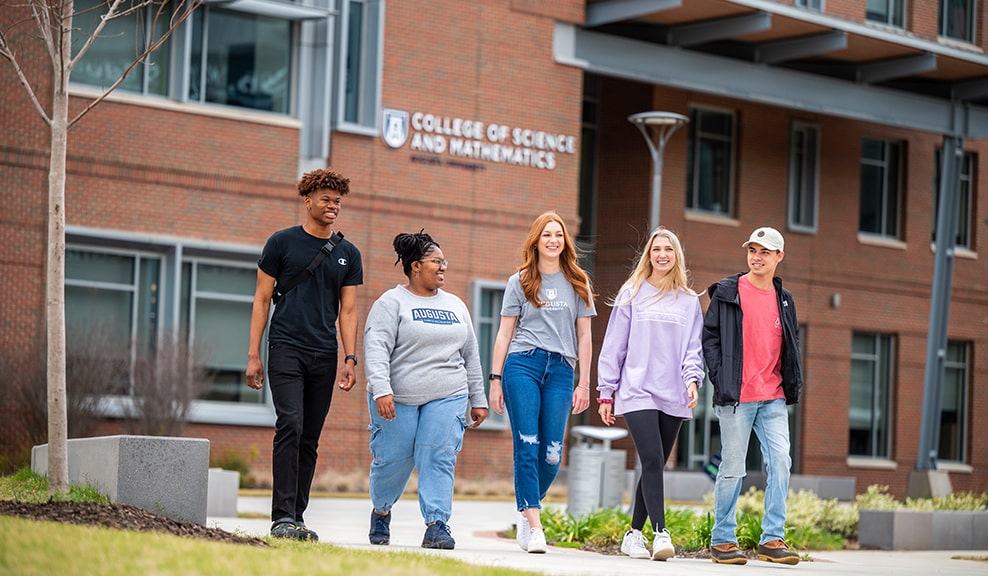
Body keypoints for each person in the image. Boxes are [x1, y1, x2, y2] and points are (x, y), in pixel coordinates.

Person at [245, 168, 363, 541]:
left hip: (324, 354)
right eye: (326, 199)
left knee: (310, 436)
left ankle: (296, 516)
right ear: (308, 199)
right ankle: (281, 516)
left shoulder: (348, 253)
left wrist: (350, 358)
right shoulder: (281, 243)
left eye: (338, 201)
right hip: (285, 348)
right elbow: (262, 299)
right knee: (290, 425)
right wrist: (253, 354)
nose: (333, 206)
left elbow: (348, 311)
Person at [363, 231, 489, 550]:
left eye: (444, 261)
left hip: (448, 393)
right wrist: (381, 390)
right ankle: (381, 510)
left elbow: (471, 353)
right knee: (393, 459)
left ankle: (437, 524)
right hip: (398, 397)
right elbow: (376, 347)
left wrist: (478, 397)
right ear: (416, 266)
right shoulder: (391, 302)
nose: (443, 267)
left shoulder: (455, 305)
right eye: (437, 261)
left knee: (438, 455)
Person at [489, 211, 596, 554]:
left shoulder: (578, 280)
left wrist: (584, 383)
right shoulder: (519, 281)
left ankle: (526, 505)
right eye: (546, 235)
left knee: (552, 455)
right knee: (527, 443)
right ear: (535, 241)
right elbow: (504, 333)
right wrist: (494, 379)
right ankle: (536, 526)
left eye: (559, 235)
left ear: (565, 242)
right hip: (523, 365)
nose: (553, 240)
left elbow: (585, 337)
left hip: (562, 370)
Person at [596, 227, 703, 561]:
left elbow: (692, 349)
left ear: (676, 256)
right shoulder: (633, 292)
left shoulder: (689, 302)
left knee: (651, 464)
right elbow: (614, 345)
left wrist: (692, 380)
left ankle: (633, 535)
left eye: (668, 250)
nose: (662, 255)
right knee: (654, 459)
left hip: (673, 394)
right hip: (638, 389)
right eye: (656, 249)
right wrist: (606, 391)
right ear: (649, 255)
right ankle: (660, 532)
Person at [702, 226, 803, 566]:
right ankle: (723, 540)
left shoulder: (784, 299)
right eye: (752, 250)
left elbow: (792, 345)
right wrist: (720, 377)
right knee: (733, 467)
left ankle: (772, 538)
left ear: (779, 257)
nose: (757, 257)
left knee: (781, 463)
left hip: (772, 397)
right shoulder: (729, 291)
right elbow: (710, 338)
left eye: (764, 252)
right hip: (737, 397)